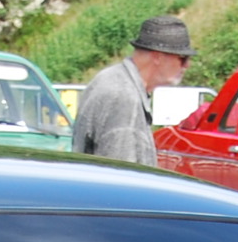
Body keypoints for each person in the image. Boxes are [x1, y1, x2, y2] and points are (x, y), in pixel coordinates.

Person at [71, 15, 192, 164]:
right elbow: (121, 172)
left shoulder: (113, 79)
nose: (187, 65)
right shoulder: (123, 99)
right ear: (158, 57)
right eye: (183, 58)